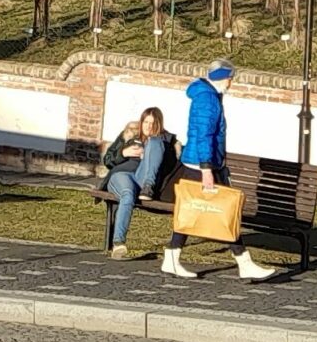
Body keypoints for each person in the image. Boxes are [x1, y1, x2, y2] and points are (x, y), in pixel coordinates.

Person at [175, 60, 277, 282]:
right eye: (230, 78)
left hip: (207, 163)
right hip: (201, 165)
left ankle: (171, 257)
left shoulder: (208, 95)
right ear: (222, 78)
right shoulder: (207, 99)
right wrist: (206, 169)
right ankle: (244, 262)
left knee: (192, 211)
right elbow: (204, 135)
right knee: (224, 213)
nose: (231, 82)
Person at [99, 106, 178, 260]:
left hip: (143, 179)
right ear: (141, 122)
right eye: (146, 122)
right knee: (127, 195)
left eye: (153, 123)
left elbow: (171, 165)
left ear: (159, 125)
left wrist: (150, 154)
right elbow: (107, 160)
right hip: (122, 175)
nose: (148, 126)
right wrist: (123, 153)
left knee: (154, 142)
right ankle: (119, 244)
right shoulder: (129, 135)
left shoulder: (164, 142)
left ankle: (147, 187)